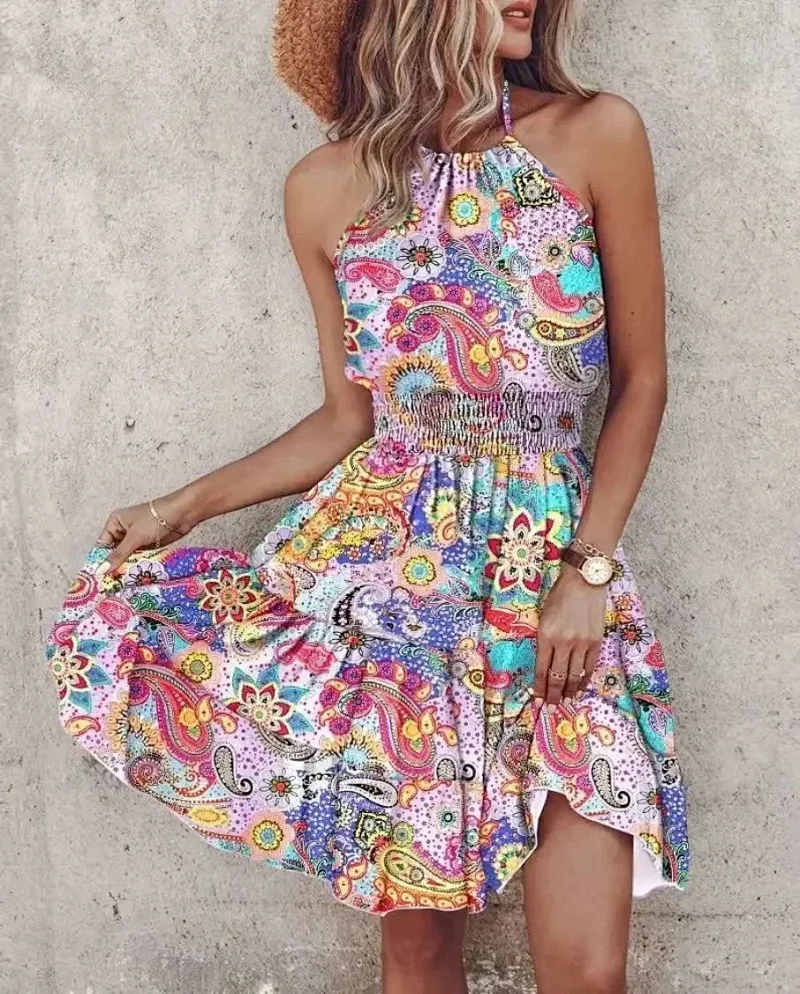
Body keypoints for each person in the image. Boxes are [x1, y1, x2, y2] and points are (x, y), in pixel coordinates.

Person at [46, 1, 690, 991]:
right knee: (418, 948)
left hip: (554, 579)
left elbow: (642, 381)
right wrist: (178, 508)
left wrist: (589, 570)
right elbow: (347, 419)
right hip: (392, 596)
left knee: (587, 970)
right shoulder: (323, 188)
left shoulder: (596, 133)